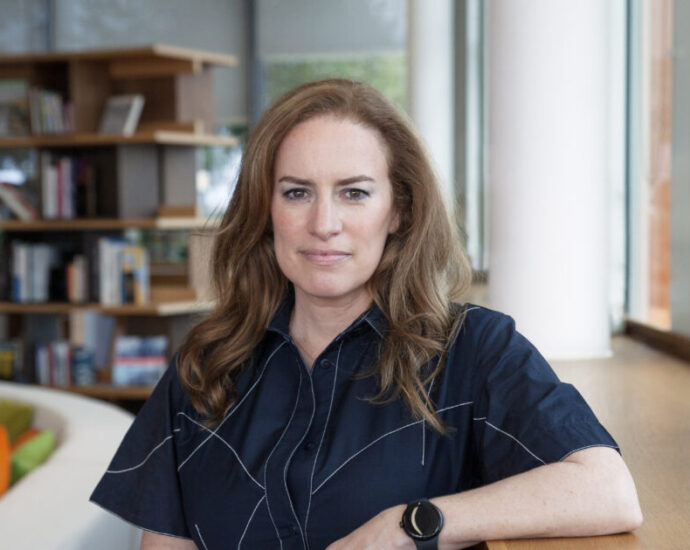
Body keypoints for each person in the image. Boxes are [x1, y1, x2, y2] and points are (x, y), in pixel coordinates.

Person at [90, 79, 642, 550]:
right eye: (297, 193)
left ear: (398, 209)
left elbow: (607, 491)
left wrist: (411, 524)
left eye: (354, 193)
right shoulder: (206, 364)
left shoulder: (473, 349)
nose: (323, 224)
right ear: (266, 209)